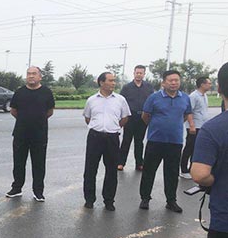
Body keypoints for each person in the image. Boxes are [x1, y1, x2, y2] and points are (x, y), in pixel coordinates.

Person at [191, 62, 228, 238]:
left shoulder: (214, 129)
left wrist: (216, 179)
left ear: (219, 88)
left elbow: (200, 174)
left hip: (225, 225)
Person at [138, 70, 193, 212]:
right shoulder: (154, 98)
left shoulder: (185, 98)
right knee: (149, 170)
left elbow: (186, 115)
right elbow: (145, 116)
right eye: (170, 80)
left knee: (172, 173)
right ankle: (145, 198)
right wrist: (157, 126)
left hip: (175, 142)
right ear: (163, 83)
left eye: (176, 80)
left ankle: (171, 200)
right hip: (155, 140)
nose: (174, 83)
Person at [82, 73, 130, 211]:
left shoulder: (120, 100)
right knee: (90, 169)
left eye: (114, 81)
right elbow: (88, 118)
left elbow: (125, 118)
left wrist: (113, 127)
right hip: (95, 137)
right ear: (101, 82)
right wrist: (98, 127)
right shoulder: (92, 100)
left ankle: (109, 200)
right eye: (110, 80)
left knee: (111, 170)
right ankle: (89, 199)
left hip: (112, 138)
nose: (114, 83)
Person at [5, 66, 55, 201]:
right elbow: (13, 111)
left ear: (40, 77)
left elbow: (49, 111)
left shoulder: (46, 92)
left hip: (39, 134)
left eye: (34, 73)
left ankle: (38, 191)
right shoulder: (20, 92)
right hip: (21, 133)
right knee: (18, 162)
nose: (31, 76)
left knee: (39, 164)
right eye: (28, 74)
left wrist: (37, 120)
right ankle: (16, 188)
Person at [118, 65, 154, 171]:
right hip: (130, 118)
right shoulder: (127, 87)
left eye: (141, 73)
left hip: (142, 118)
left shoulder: (148, 87)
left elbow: (152, 102)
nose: (138, 75)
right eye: (137, 73)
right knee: (126, 140)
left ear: (144, 74)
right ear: (134, 73)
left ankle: (139, 163)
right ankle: (121, 162)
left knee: (139, 142)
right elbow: (121, 102)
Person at [180, 77, 211, 179]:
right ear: (202, 84)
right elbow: (189, 111)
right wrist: (191, 125)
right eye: (208, 83)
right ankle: (183, 170)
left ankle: (192, 169)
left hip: (202, 126)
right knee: (189, 148)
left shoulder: (204, 95)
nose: (210, 85)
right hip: (194, 126)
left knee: (196, 148)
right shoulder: (194, 96)